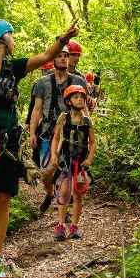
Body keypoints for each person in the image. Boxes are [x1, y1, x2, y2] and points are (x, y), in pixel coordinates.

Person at [0, 19, 78, 278]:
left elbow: (47, 56)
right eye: (11, 36)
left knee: (2, 198)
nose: (14, 41)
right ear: (1, 39)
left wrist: (64, 37)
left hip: (7, 143)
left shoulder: (13, 68)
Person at [29, 47, 87, 213]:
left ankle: (65, 209)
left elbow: (84, 107)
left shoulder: (78, 81)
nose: (63, 59)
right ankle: (49, 193)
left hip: (72, 135)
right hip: (48, 133)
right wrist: (32, 132)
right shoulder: (42, 83)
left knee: (67, 172)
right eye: (59, 56)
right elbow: (37, 109)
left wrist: (88, 128)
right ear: (53, 59)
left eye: (66, 56)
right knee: (46, 172)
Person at [46, 84, 96, 241]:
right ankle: (60, 225)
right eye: (76, 97)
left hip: (81, 163)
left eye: (82, 97)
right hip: (65, 161)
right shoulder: (63, 118)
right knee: (64, 192)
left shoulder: (87, 121)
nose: (80, 99)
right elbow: (55, 137)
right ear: (69, 101)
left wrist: (89, 159)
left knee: (78, 194)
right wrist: (54, 156)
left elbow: (93, 142)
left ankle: (74, 226)